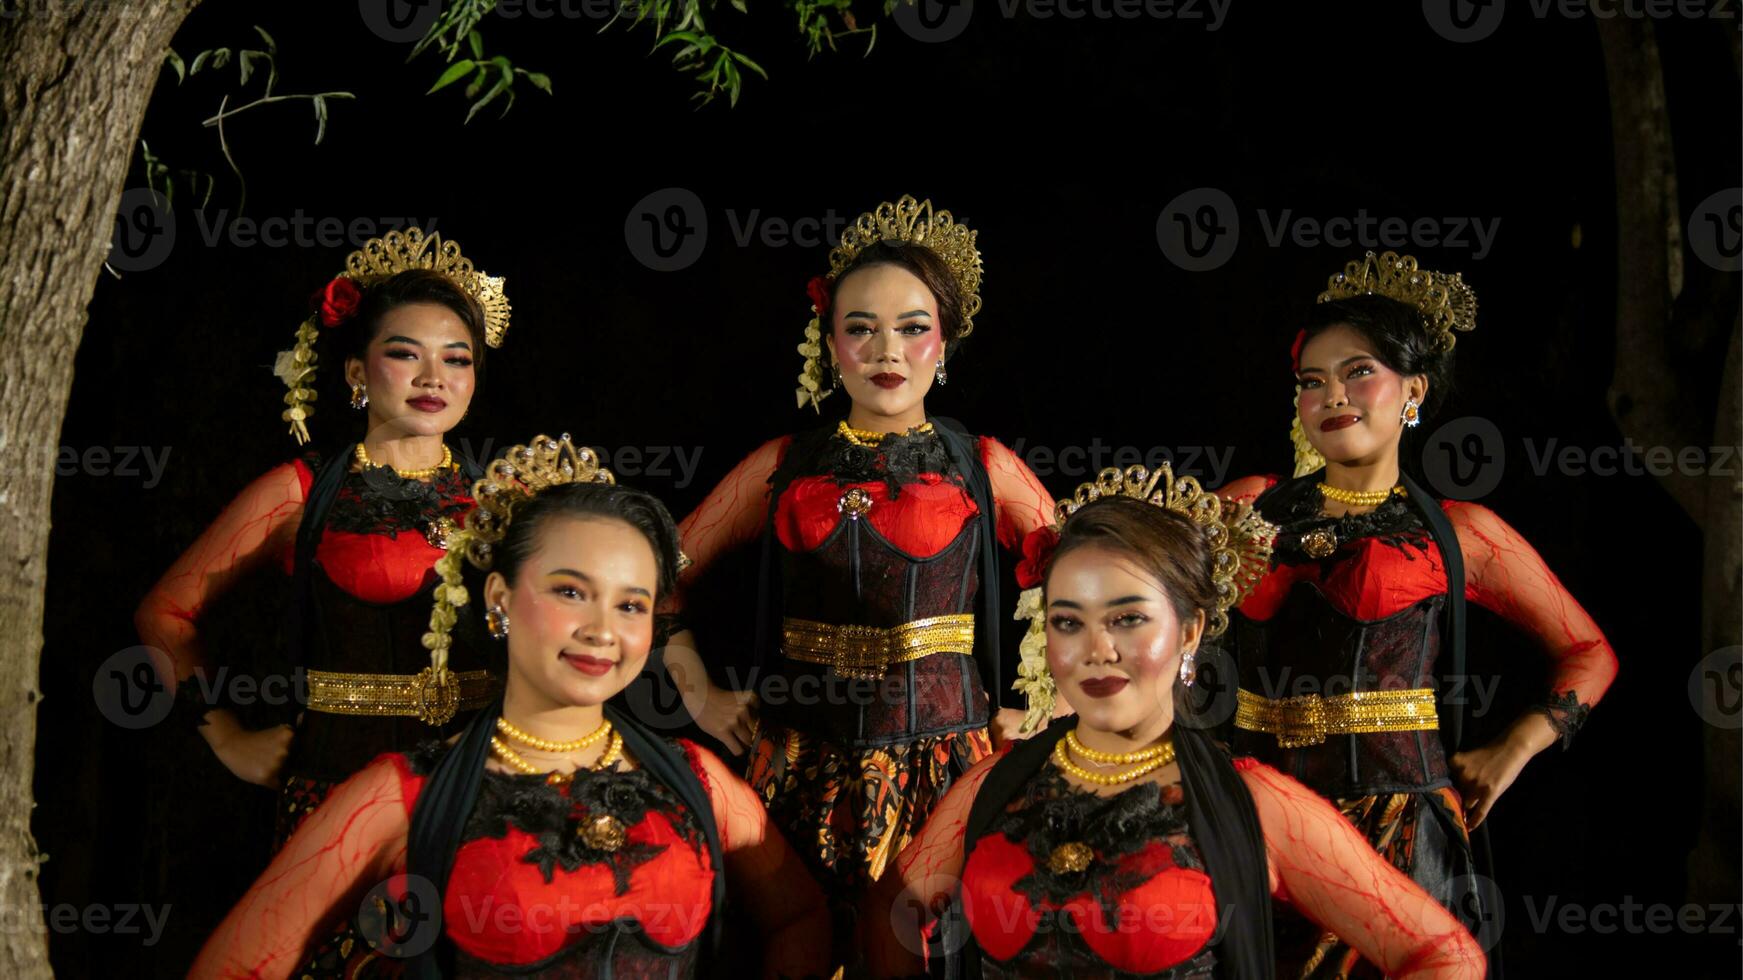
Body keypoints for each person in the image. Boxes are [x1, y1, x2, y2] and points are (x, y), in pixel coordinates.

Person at [190, 435, 831, 978]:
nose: (602, 630)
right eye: (570, 592)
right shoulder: (399, 797)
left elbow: (803, 920)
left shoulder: (698, 781)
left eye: (631, 604)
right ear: (499, 599)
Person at [868, 464, 1485, 978]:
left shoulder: (1255, 803)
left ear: (1189, 631)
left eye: (1128, 618)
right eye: (1067, 621)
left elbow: (1442, 954)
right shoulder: (993, 785)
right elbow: (891, 909)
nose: (1096, 649)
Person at [657, 195, 1058, 928]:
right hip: (794, 766)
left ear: (943, 343)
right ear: (829, 343)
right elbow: (653, 580)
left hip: (952, 769)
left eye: (912, 329)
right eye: (860, 329)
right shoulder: (780, 466)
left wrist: (1046, 706)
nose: (886, 352)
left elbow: (1089, 586)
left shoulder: (983, 466)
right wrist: (698, 696)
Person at [1218, 251, 1619, 977]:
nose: (1332, 395)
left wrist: (1511, 750)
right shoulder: (1246, 505)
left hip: (1397, 830)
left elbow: (1589, 653)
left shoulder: (1459, 533)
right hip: (1259, 818)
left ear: (1413, 391)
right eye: (1312, 381)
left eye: (1357, 371)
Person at [135, 227, 515, 846]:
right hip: (339, 805)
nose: (433, 377)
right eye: (404, 353)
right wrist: (227, 736)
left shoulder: (507, 498)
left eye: (456, 358)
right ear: (355, 371)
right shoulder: (299, 493)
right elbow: (165, 612)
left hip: (481, 799)